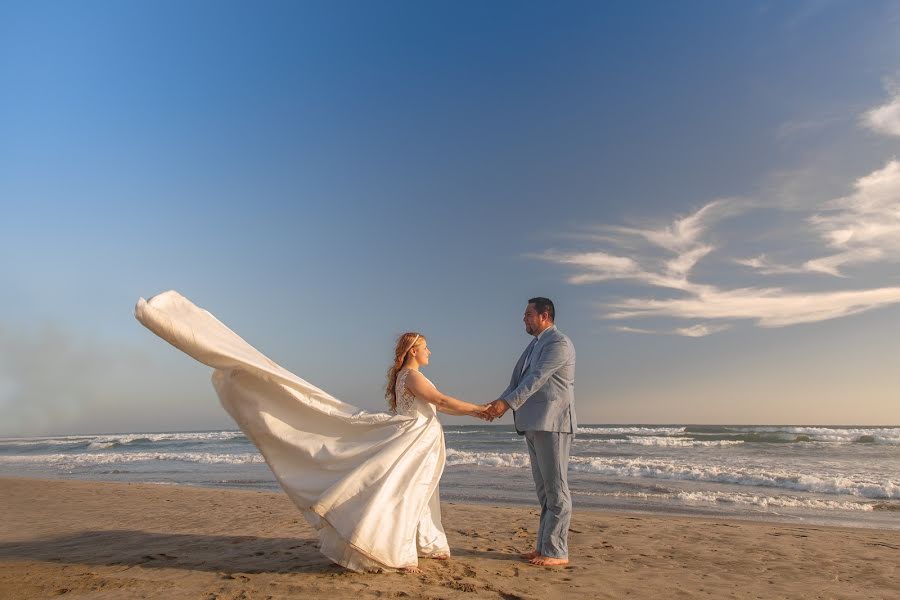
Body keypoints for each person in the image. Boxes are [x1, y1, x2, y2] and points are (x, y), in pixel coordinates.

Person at [134, 291, 490, 574]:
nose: (430, 350)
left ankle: (422, 542)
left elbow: (433, 404)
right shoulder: (412, 376)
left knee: (414, 491)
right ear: (413, 351)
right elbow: (440, 401)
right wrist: (479, 410)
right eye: (426, 346)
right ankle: (396, 548)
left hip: (416, 441)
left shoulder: (401, 377)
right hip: (413, 440)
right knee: (405, 491)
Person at [484, 297, 576, 566]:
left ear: (545, 315)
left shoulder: (559, 343)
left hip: (553, 423)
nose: (523, 318)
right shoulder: (534, 346)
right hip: (533, 424)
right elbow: (517, 382)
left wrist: (505, 404)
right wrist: (496, 405)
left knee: (557, 490)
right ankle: (544, 547)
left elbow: (536, 379)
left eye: (528, 314)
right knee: (545, 492)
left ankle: (557, 552)